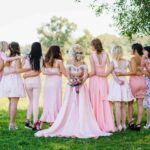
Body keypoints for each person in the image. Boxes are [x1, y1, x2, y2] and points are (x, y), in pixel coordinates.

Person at [35, 44, 111, 138]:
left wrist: (74, 82)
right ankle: (77, 126)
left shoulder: (69, 61)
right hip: (80, 87)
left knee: (75, 106)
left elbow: (68, 75)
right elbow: (85, 76)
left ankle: (76, 126)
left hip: (72, 87)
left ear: (72, 53)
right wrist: (79, 83)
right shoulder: (84, 63)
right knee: (75, 106)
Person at [97, 45, 134, 131]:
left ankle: (119, 125)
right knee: (123, 106)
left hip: (116, 85)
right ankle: (124, 125)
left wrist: (97, 74)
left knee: (117, 106)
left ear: (114, 52)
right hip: (124, 83)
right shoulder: (126, 61)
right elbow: (132, 72)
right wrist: (123, 74)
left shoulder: (113, 62)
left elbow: (106, 74)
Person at [116, 43, 146, 131]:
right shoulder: (143, 58)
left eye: (132, 49)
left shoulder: (133, 59)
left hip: (134, 82)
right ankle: (138, 124)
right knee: (140, 104)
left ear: (135, 50)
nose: (131, 51)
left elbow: (133, 72)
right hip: (142, 82)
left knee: (130, 103)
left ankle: (130, 122)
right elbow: (143, 70)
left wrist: (122, 73)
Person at [89, 38, 115, 132]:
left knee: (95, 100)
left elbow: (93, 71)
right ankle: (107, 123)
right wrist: (105, 74)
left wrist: (85, 75)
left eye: (91, 45)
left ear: (94, 46)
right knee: (104, 100)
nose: (90, 47)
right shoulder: (106, 54)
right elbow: (109, 68)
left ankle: (96, 123)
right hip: (103, 80)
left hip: (94, 80)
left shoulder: (92, 56)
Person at [16, 42, 43, 130]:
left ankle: (27, 122)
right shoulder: (40, 57)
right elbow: (38, 72)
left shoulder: (26, 57)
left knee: (31, 101)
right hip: (36, 82)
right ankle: (35, 122)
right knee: (35, 101)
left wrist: (26, 75)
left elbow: (20, 69)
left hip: (27, 82)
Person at [39, 45, 66, 129]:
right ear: (58, 52)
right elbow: (64, 72)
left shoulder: (44, 60)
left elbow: (43, 72)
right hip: (55, 83)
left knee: (47, 101)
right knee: (55, 100)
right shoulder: (59, 61)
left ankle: (42, 122)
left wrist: (52, 72)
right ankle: (52, 121)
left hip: (47, 83)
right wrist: (56, 73)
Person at [0, 42, 25, 130]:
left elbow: (4, 69)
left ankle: (10, 122)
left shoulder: (7, 58)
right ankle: (12, 124)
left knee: (11, 102)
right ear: (17, 48)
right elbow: (18, 70)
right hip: (14, 80)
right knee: (14, 102)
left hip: (7, 81)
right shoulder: (17, 58)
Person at [141, 46, 150, 129]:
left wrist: (143, 71)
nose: (143, 53)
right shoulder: (146, 60)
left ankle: (148, 123)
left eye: (144, 51)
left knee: (149, 105)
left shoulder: (148, 61)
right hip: (147, 84)